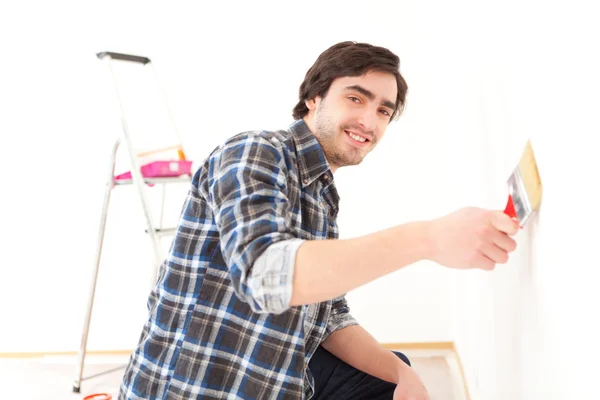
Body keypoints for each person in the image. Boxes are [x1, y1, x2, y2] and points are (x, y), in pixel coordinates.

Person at [118, 41, 518, 400]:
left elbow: (328, 317)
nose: (370, 121)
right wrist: (428, 238)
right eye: (356, 99)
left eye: (383, 110)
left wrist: (401, 373)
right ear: (313, 97)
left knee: (388, 373)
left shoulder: (322, 194)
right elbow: (267, 275)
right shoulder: (255, 153)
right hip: (198, 388)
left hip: (277, 377)